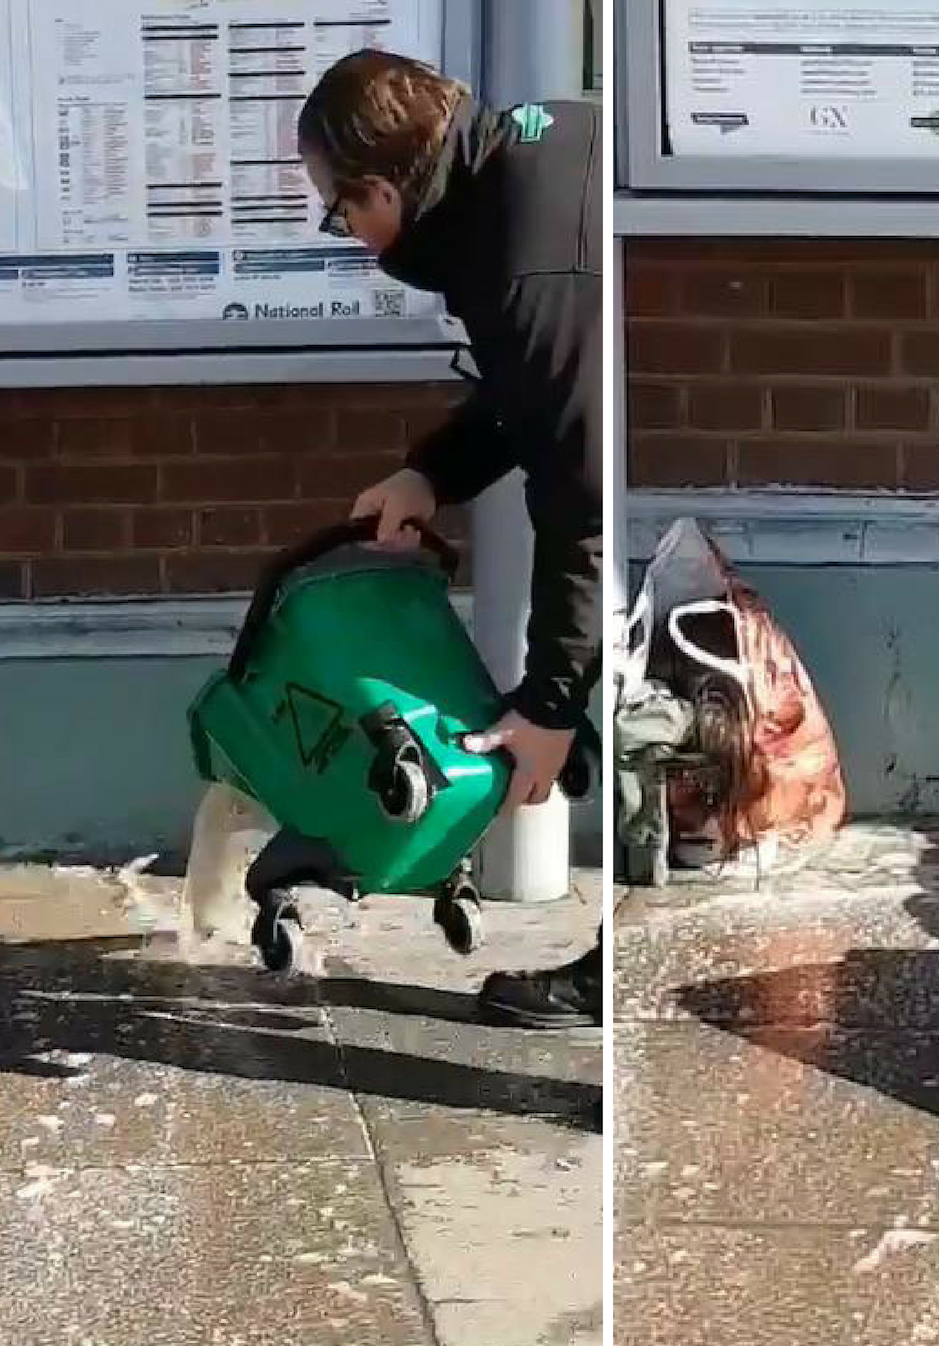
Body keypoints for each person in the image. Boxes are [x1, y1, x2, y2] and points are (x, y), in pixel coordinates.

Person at [298, 49, 602, 1028]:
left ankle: (613, 989)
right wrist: (429, 473)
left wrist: (552, 701)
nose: (347, 235)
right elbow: (527, 399)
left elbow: (581, 491)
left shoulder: (517, 249)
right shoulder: (498, 193)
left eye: (338, 211)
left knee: (628, 708)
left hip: (662, 452)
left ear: (381, 187)